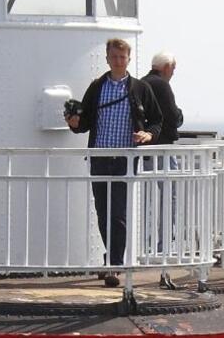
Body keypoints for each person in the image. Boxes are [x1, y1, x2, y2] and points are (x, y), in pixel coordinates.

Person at [66, 38, 159, 286]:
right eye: (114, 57)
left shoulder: (140, 89)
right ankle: (111, 260)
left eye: (122, 57)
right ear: (107, 59)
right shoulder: (96, 87)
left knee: (117, 213)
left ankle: (115, 265)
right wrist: (73, 123)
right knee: (103, 212)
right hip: (99, 157)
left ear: (128, 59)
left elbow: (158, 120)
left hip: (124, 159)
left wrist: (149, 134)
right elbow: (84, 123)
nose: (118, 61)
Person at [143, 51, 184, 145]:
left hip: (144, 143)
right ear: (167, 67)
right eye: (173, 69)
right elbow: (173, 116)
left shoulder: (141, 82)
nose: (173, 73)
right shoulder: (162, 85)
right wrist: (180, 115)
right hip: (162, 143)